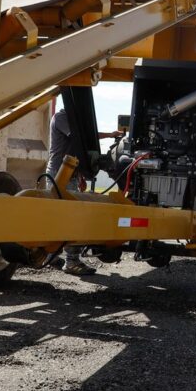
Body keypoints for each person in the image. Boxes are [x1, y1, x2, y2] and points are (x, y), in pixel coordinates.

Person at [46, 106, 121, 276]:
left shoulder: (69, 119)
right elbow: (78, 139)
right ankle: (71, 262)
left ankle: (51, 256)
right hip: (59, 174)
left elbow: (75, 149)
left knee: (60, 216)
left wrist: (80, 175)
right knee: (71, 216)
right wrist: (108, 135)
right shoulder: (61, 117)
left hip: (69, 173)